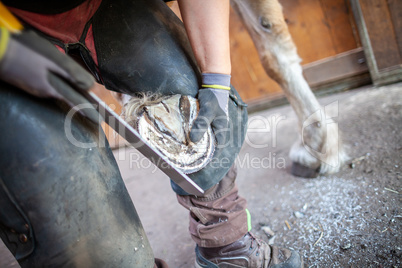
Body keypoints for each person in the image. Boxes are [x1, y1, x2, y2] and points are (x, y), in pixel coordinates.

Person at [0, 0, 303, 267]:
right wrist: (5, 50)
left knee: (192, 101)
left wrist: (216, 79)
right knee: (84, 230)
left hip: (102, 5)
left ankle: (227, 244)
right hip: (10, 32)